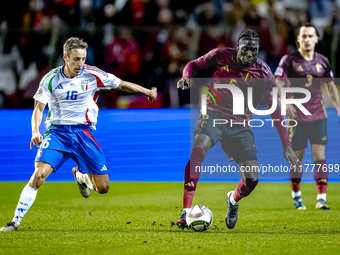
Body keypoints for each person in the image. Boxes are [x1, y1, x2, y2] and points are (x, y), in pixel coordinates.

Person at [0, 37, 157, 231]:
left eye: (82, 58)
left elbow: (121, 84)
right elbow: (39, 108)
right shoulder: (51, 78)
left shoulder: (92, 75)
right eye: (76, 59)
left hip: (83, 133)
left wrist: (147, 92)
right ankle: (15, 221)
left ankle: (81, 177)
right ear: (65, 57)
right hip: (58, 133)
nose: (80, 63)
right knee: (39, 175)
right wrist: (35, 131)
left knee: (103, 188)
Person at [176, 29, 301, 230]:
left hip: (240, 124)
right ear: (238, 47)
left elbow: (275, 111)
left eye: (254, 50)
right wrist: (186, 76)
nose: (250, 54)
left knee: (252, 180)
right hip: (213, 114)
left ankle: (233, 200)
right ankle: (185, 212)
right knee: (198, 150)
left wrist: (286, 145)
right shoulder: (221, 55)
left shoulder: (263, 73)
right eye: (245, 49)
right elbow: (194, 64)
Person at [274, 24, 340, 210]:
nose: (307, 39)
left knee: (320, 156)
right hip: (297, 117)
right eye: (303, 36)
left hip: (319, 116)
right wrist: (285, 102)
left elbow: (331, 86)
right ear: (298, 39)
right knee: (297, 160)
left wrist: (339, 107)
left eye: (310, 36)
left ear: (316, 39)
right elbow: (277, 82)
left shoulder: (323, 61)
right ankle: (297, 196)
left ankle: (322, 198)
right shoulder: (289, 60)